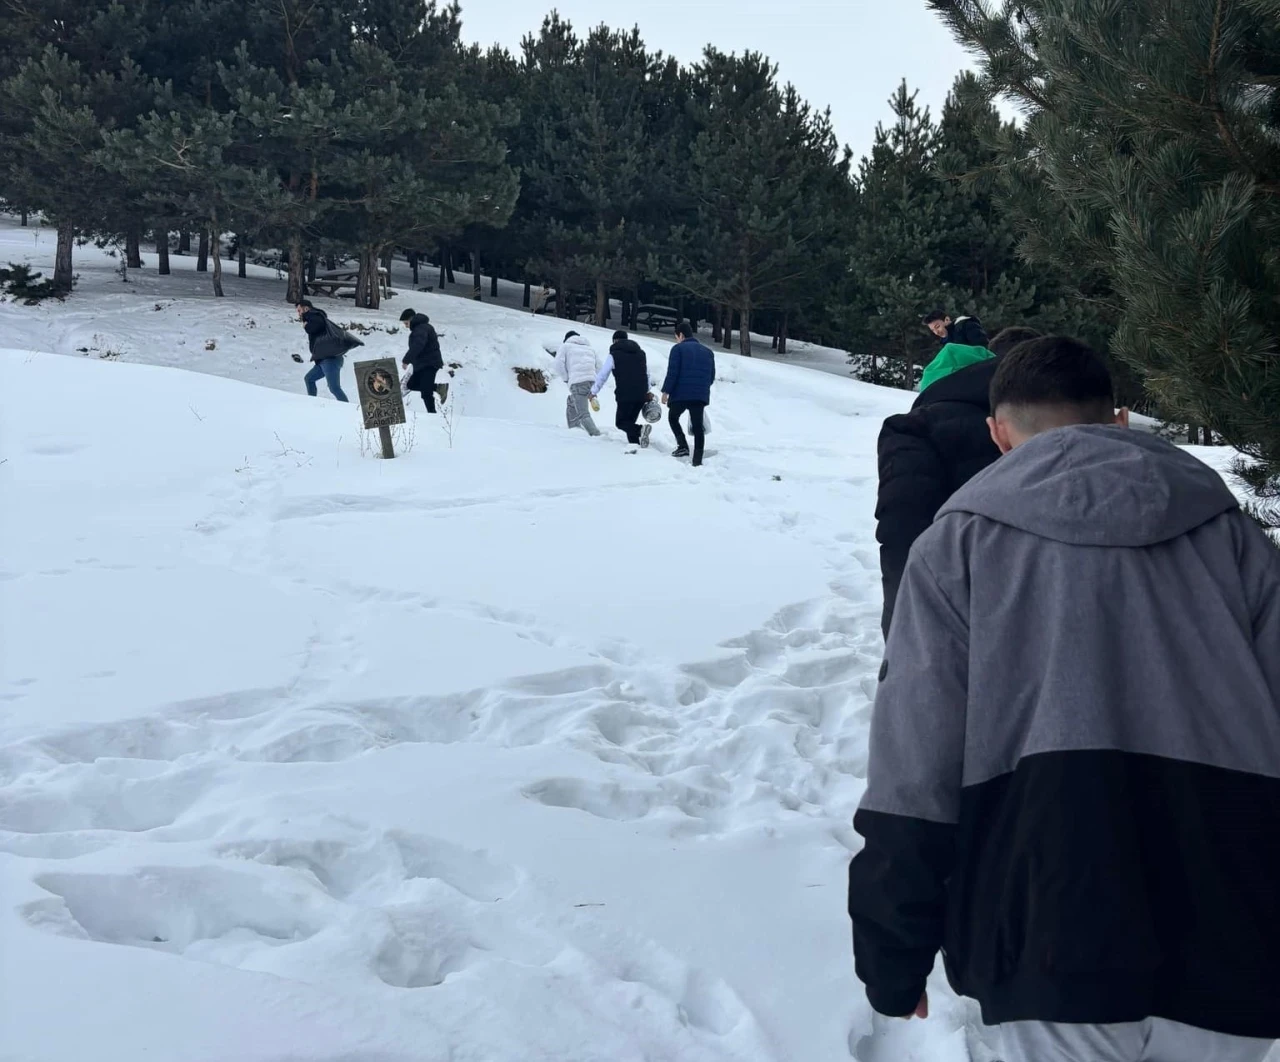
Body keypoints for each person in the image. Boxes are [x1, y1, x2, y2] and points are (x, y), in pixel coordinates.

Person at [848, 336, 1280, 1062]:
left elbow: (913, 769)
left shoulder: (955, 547)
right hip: (1235, 936)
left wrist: (894, 951)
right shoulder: (1234, 539)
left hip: (1047, 932)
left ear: (996, 434)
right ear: (1117, 419)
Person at [875, 327, 1042, 637]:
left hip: (944, 613)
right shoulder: (1037, 423)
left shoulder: (913, 430)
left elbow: (902, 535)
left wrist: (901, 632)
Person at [661, 320, 715, 465]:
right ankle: (697, 459)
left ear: (681, 335)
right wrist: (701, 388)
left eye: (676, 337)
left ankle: (683, 446)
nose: (677, 340)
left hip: (681, 394)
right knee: (698, 427)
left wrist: (666, 392)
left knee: (673, 417)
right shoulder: (708, 352)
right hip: (699, 396)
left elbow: (672, 372)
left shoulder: (677, 349)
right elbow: (711, 377)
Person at [592, 329, 654, 447]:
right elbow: (647, 373)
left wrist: (593, 391)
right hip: (641, 394)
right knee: (630, 422)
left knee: (621, 422)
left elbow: (603, 375)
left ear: (615, 341)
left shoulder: (614, 355)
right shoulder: (641, 353)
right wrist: (647, 391)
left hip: (625, 394)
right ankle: (636, 446)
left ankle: (641, 430)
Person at [296, 299, 349, 402]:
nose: (298, 314)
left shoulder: (315, 316)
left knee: (334, 388)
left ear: (306, 308)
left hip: (330, 360)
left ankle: (348, 409)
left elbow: (316, 326)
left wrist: (307, 326)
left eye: (299, 310)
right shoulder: (314, 316)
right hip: (323, 360)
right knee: (309, 379)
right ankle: (312, 404)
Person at [553, 330, 601, 436]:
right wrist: (593, 377)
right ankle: (574, 428)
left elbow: (557, 365)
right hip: (592, 383)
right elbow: (599, 366)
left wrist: (566, 378)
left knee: (583, 414)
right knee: (571, 401)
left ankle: (597, 436)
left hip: (578, 383)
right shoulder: (590, 349)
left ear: (567, 339)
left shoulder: (565, 346)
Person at [399, 308, 443, 412]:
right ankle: (437, 388)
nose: (406, 326)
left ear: (411, 319)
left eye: (406, 323)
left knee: (426, 393)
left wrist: (406, 360)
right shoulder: (421, 328)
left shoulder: (421, 329)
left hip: (429, 363)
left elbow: (417, 346)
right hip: (422, 364)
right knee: (411, 384)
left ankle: (432, 414)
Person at [922, 308, 988, 349]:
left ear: (947, 320)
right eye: (933, 330)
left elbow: (982, 347)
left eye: (937, 327)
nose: (936, 332)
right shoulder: (945, 342)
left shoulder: (966, 325)